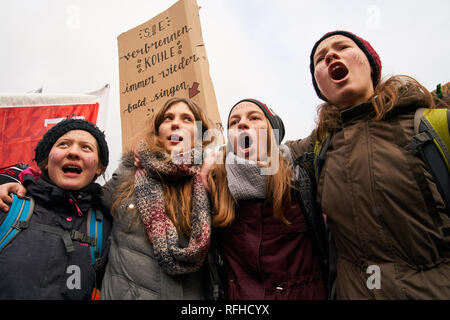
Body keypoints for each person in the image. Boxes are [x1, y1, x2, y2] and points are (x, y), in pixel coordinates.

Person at [285, 30, 450, 299]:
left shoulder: (433, 126)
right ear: (320, 86)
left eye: (342, 47)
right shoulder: (316, 149)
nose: (330, 55)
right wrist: (209, 157)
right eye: (319, 59)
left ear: (371, 64)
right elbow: (262, 151)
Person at [206, 98, 328, 300]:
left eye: (254, 118)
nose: (242, 124)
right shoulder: (215, 183)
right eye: (234, 123)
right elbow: (173, 157)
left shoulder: (300, 173)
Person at [99, 97, 219, 299]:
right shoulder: (127, 175)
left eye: (187, 119)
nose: (175, 123)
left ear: (200, 133)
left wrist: (213, 181)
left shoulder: (215, 179)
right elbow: (78, 199)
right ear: (157, 131)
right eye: (168, 118)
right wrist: (27, 180)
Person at [0, 118, 112, 299]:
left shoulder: (105, 228)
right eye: (63, 144)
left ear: (99, 167)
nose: (74, 152)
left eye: (86, 147)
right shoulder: (8, 206)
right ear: (45, 161)